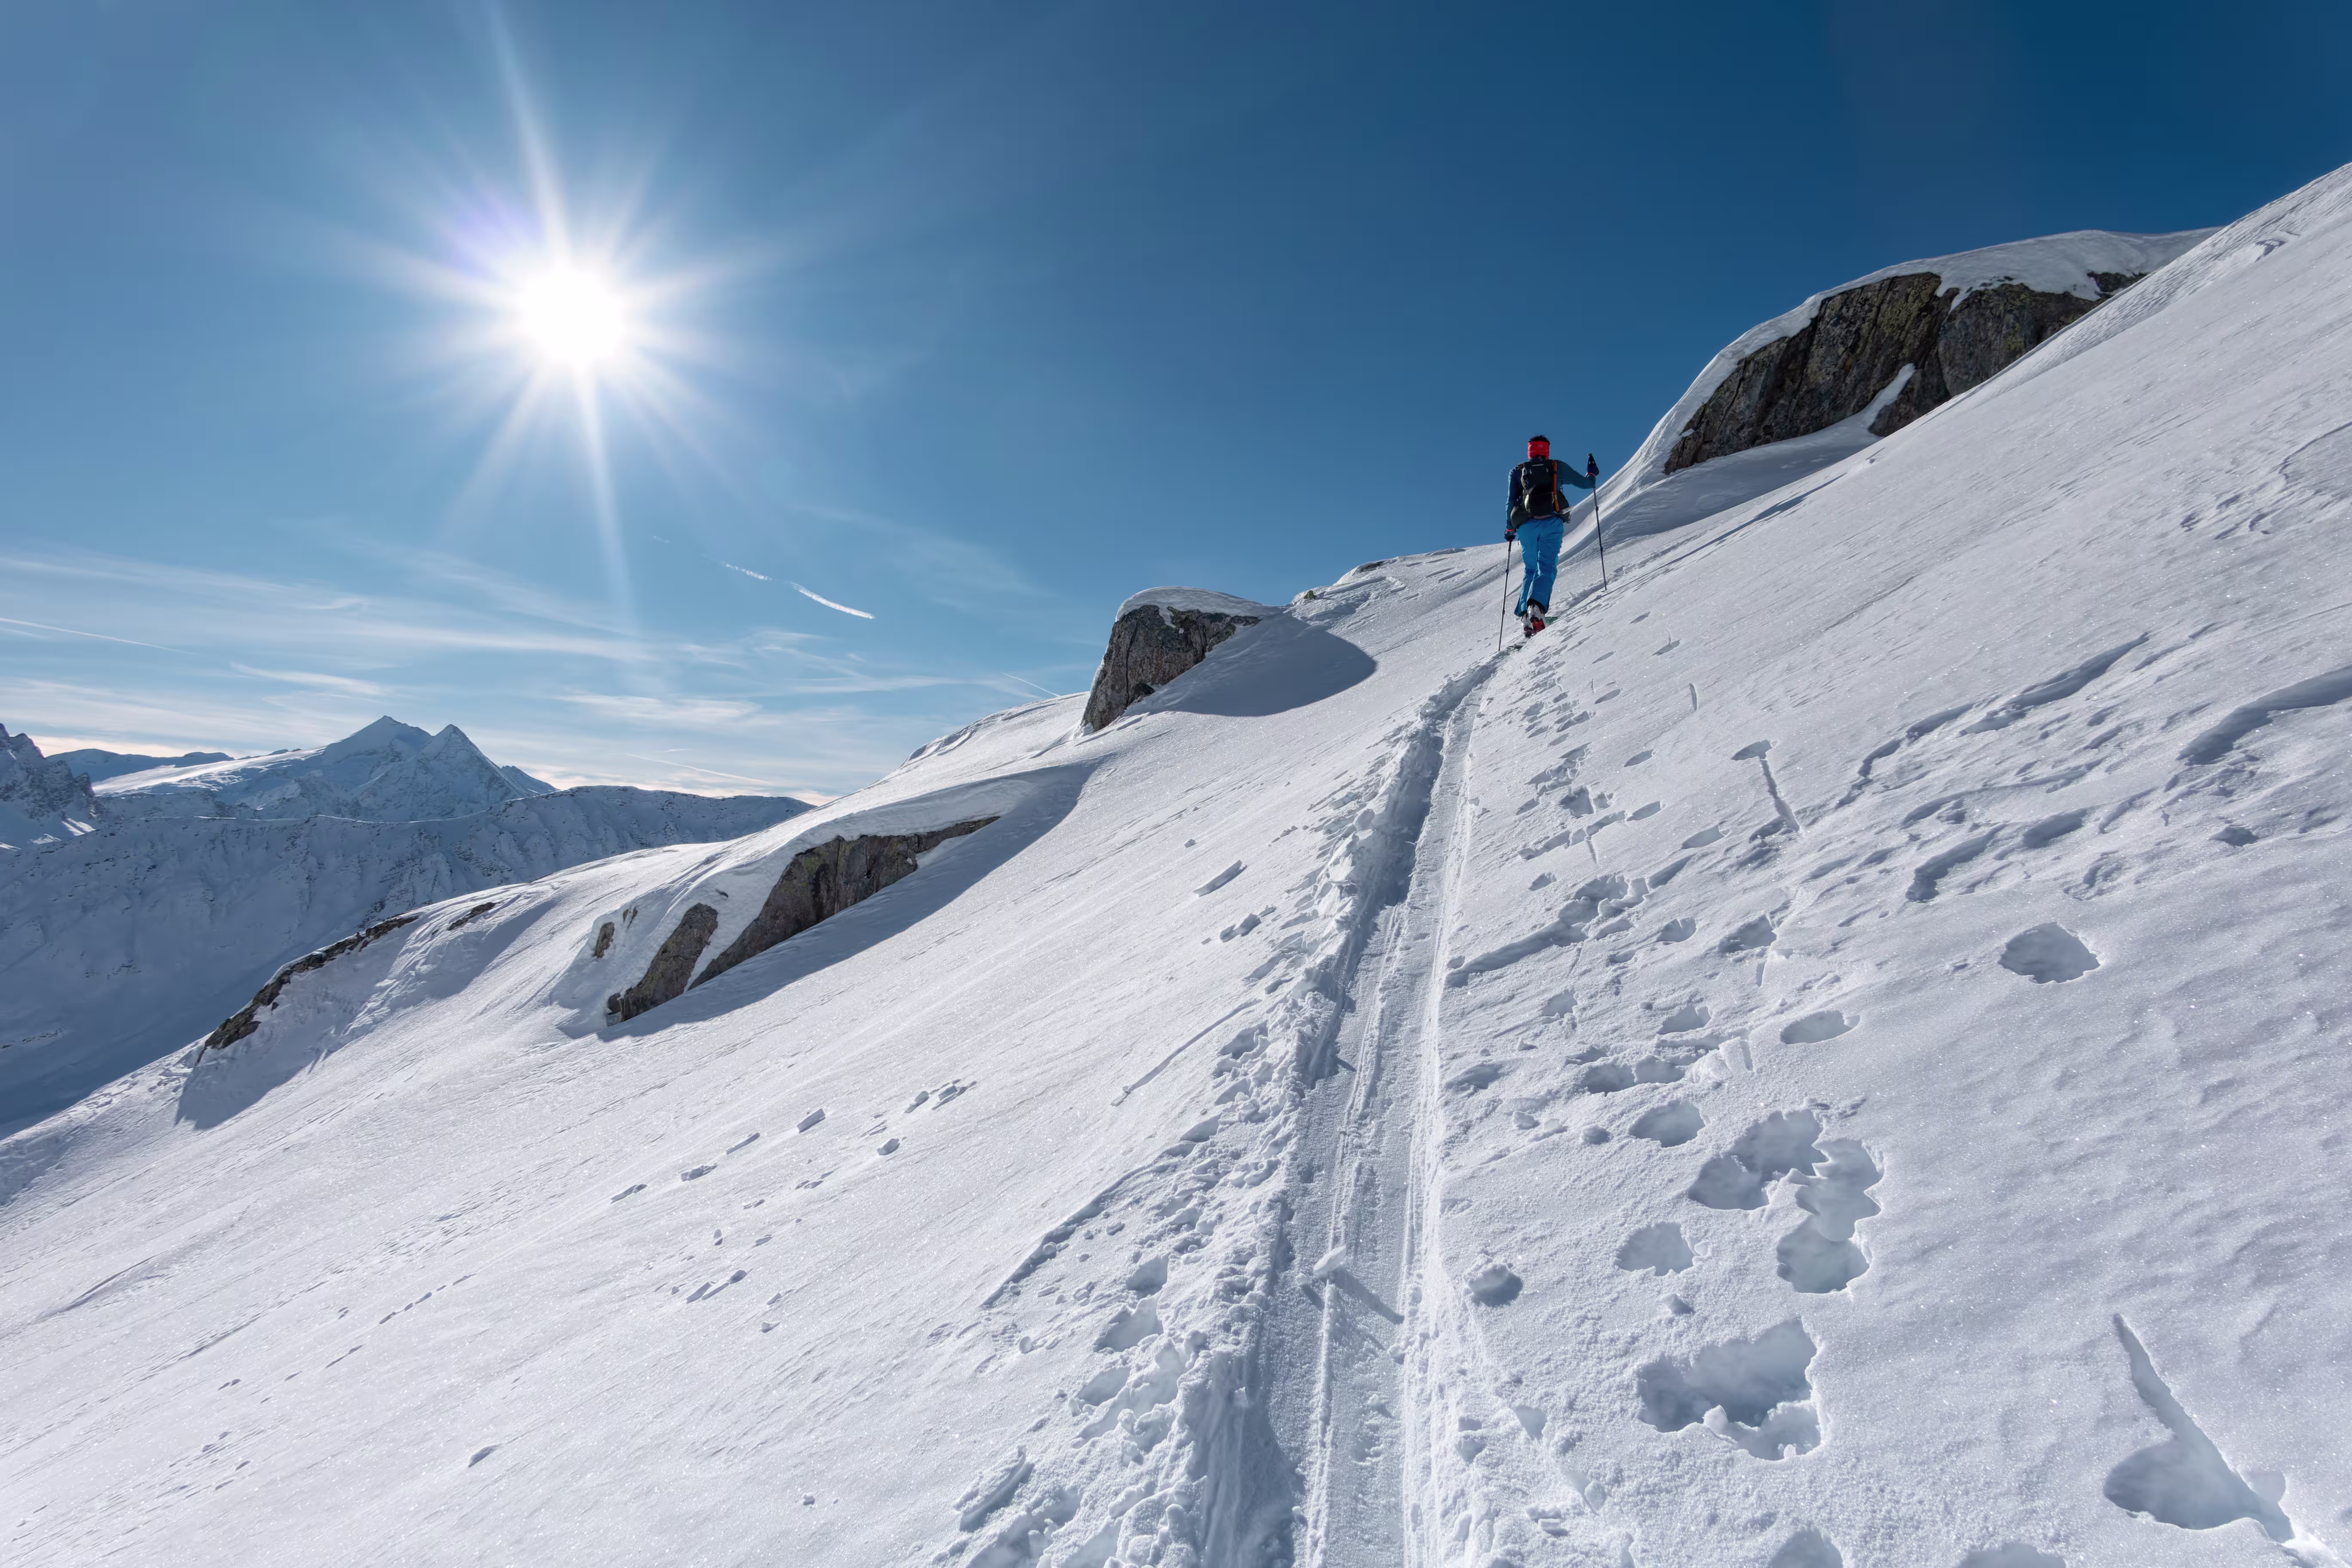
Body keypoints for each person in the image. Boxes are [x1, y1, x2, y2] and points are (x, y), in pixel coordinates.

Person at [1505, 435, 1599, 635]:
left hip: (1526, 526)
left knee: (1531, 568)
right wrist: (1592, 473)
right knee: (1546, 566)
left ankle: (1526, 617)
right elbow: (1586, 484)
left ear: (1530, 451)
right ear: (1546, 451)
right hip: (1551, 522)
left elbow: (1511, 501)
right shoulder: (1557, 466)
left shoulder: (1518, 470)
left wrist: (1510, 529)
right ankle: (1536, 607)